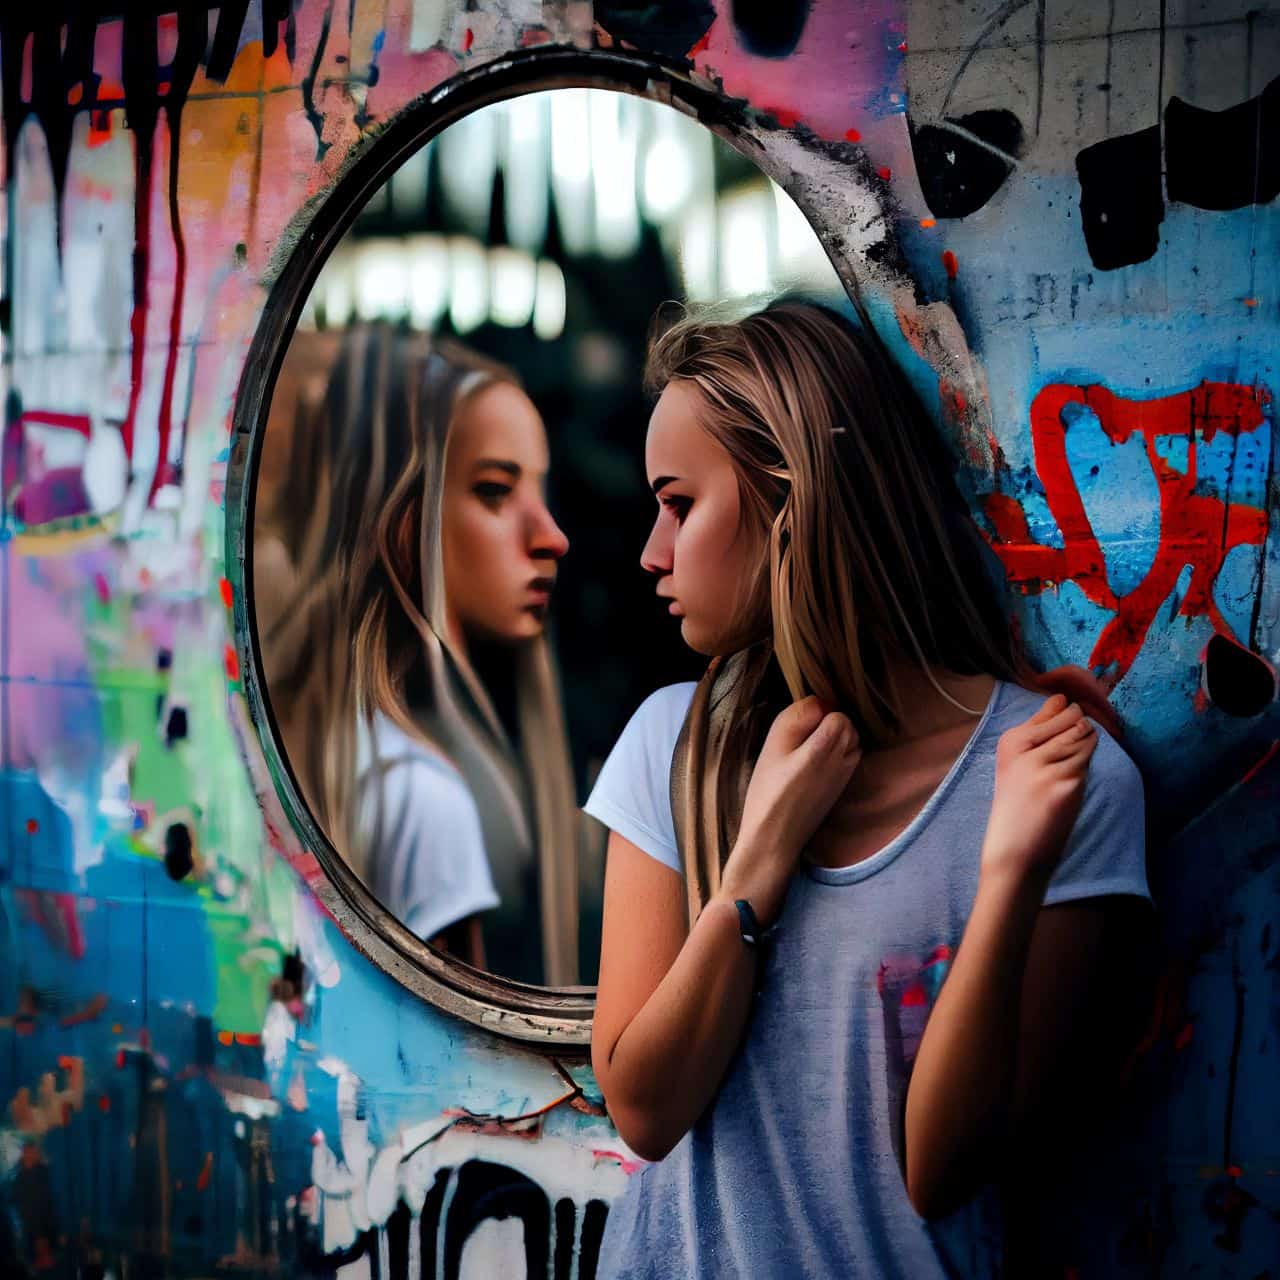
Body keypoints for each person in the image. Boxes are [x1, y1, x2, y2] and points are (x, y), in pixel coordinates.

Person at [585, 298, 1153, 1275]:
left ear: (793, 500)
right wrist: (755, 862)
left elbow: (943, 1170)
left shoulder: (1064, 780)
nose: (652, 550)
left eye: (679, 503)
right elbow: (643, 1107)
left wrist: (1011, 866)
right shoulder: (669, 747)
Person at [257, 324, 580, 982]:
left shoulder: (371, 761)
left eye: (540, 490)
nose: (551, 536)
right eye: (495, 490)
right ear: (404, 517)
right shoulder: (423, 798)